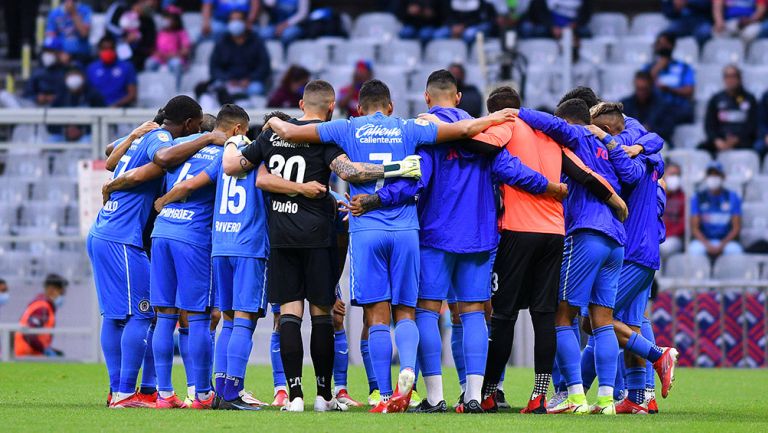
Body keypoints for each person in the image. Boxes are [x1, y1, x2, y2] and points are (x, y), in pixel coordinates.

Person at [262, 78, 518, 413]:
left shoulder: (346, 128)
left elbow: (293, 134)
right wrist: (497, 117)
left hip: (366, 228)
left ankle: (383, 394)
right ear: (391, 106)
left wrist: (273, 121)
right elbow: (465, 130)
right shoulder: (409, 129)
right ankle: (409, 371)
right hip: (406, 229)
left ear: (358, 107)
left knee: (376, 315)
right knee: (407, 312)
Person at [346, 71, 567, 414]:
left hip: (435, 235)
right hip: (479, 237)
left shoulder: (430, 134)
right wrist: (548, 187)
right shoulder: (484, 131)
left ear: (427, 98)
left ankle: (434, 397)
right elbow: (511, 169)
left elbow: (413, 181)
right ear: (459, 98)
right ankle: (475, 396)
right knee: (474, 313)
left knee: (427, 312)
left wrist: (376, 200)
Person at [223, 80, 424, 412]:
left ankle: (294, 395)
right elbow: (353, 172)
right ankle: (323, 394)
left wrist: (230, 141)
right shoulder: (327, 137)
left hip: (282, 234)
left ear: (302, 104)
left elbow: (233, 166)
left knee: (288, 314)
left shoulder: (272, 135)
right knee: (322, 315)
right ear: (331, 108)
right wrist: (399, 168)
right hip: (318, 235)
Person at [515, 99, 638, 415]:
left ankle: (575, 396)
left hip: (586, 231)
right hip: (616, 239)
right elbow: (631, 175)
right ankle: (608, 400)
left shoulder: (575, 134)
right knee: (603, 322)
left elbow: (547, 123)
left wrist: (513, 112)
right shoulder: (609, 149)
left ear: (568, 121)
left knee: (562, 315)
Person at [91, 96, 211, 409]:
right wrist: (209, 138)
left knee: (115, 316)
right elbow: (161, 159)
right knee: (143, 312)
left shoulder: (145, 133)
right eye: (196, 127)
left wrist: (132, 136)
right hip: (122, 237)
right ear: (187, 124)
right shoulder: (161, 137)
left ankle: (119, 390)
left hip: (104, 232)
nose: (196, 132)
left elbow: (109, 154)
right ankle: (125, 393)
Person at [588, 102, 679, 413]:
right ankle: (639, 397)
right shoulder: (645, 149)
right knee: (631, 323)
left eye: (596, 130)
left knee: (595, 320)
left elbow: (648, 140)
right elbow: (655, 141)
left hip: (633, 250)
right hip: (645, 248)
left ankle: (658, 356)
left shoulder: (624, 149)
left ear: (611, 129)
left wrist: (617, 145)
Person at [209, 11, 271, 101]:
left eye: (238, 20)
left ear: (245, 22)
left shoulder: (256, 41)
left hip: (250, 82)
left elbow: (264, 66)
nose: (235, 23)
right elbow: (214, 67)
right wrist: (227, 79)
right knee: (217, 88)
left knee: (256, 89)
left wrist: (249, 79)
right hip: (227, 81)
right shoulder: (222, 42)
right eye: (232, 20)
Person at [689, 162, 743, 257]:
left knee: (735, 251)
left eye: (717, 174)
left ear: (723, 177)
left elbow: (736, 228)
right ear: (706, 177)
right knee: (694, 250)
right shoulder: (698, 197)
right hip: (704, 241)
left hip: (725, 241)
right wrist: (707, 245)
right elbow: (695, 228)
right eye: (710, 175)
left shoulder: (732, 197)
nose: (713, 178)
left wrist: (722, 245)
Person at [701, 65, 758, 156]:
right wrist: (717, 140)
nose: (730, 80)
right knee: (701, 149)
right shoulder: (716, 99)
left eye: (733, 76)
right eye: (727, 76)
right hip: (720, 140)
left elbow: (752, 124)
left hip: (742, 141)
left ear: (739, 78)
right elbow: (709, 125)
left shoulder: (749, 99)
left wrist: (736, 139)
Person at [643, 32, 695, 125]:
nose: (661, 46)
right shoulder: (649, 67)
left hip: (677, 107)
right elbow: (642, 86)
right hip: (653, 107)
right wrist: (656, 69)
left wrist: (669, 89)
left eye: (664, 44)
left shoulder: (684, 67)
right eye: (659, 43)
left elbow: (689, 91)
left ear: (672, 46)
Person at [13, 274, 67, 357]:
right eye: (62, 293)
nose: (63, 296)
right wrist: (44, 350)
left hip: (28, 355)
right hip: (28, 356)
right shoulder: (42, 308)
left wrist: (49, 350)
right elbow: (29, 333)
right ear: (51, 290)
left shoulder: (40, 305)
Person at [49, 68, 105, 143]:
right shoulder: (61, 96)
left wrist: (82, 131)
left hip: (87, 134)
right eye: (71, 75)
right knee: (53, 140)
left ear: (83, 77)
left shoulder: (93, 95)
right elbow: (51, 123)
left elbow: (101, 119)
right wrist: (65, 130)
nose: (73, 79)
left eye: (76, 74)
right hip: (63, 134)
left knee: (87, 141)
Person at [621, 71, 676, 143]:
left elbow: (668, 130)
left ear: (651, 87)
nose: (641, 93)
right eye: (638, 88)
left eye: (644, 89)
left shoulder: (663, 105)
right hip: (632, 143)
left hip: (656, 143)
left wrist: (648, 130)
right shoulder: (626, 104)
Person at [146, 6, 192, 88]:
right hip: (160, 59)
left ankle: (177, 89)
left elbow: (186, 50)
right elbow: (152, 49)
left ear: (176, 21)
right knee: (149, 63)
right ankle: (152, 87)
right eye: (165, 17)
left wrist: (173, 55)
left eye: (169, 18)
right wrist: (157, 53)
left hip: (174, 59)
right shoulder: (159, 33)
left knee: (177, 64)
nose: (166, 20)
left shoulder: (181, 33)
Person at [86, 37, 138, 108]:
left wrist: (116, 105)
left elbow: (132, 94)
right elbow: (87, 93)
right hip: (96, 109)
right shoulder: (91, 68)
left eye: (111, 48)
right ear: (99, 51)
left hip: (120, 109)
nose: (108, 51)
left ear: (115, 50)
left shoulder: (127, 67)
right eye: (104, 49)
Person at [519, 0, 592, 40]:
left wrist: (573, 26)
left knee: (586, 32)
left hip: (573, 28)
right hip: (549, 27)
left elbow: (586, 14)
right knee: (530, 29)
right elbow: (538, 12)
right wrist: (552, 27)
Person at [23, 40, 67, 107]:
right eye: (45, 51)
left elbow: (70, 95)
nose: (47, 54)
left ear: (60, 54)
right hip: (36, 107)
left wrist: (55, 98)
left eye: (51, 51)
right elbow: (27, 95)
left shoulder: (66, 71)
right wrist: (37, 98)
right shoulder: (37, 72)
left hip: (60, 108)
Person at [661, 162, 686, 258]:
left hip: (673, 238)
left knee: (662, 247)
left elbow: (684, 224)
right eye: (672, 174)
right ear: (664, 175)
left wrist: (665, 234)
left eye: (678, 175)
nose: (675, 178)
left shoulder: (683, 198)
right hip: (654, 236)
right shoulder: (655, 194)